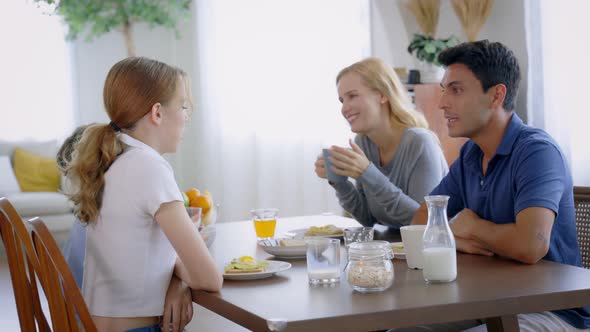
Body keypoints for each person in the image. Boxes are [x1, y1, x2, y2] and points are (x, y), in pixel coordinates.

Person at [408, 40, 590, 331]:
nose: (443, 102)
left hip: (552, 311)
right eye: (444, 90)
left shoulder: (537, 152)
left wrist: (473, 227)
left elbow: (531, 246)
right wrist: (457, 234)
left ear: (496, 95)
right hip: (489, 301)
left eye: (456, 90)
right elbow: (421, 220)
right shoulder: (471, 153)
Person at [65, 57, 223, 332]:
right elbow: (209, 277)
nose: (186, 116)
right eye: (183, 106)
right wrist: (180, 272)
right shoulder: (149, 166)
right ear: (157, 113)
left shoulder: (116, 158)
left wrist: (176, 277)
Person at [314, 57, 448, 229]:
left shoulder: (420, 143)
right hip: (393, 249)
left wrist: (367, 172)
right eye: (342, 100)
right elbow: (367, 218)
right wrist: (339, 181)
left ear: (382, 95)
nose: (344, 108)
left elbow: (424, 222)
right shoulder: (363, 142)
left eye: (352, 96)